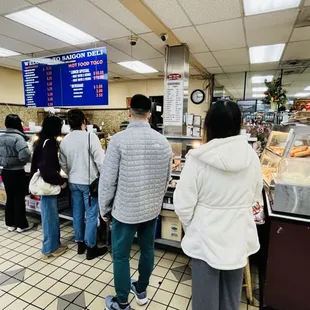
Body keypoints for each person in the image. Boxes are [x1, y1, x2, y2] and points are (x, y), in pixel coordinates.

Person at [174, 100, 263, 310]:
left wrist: (194, 225)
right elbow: (255, 195)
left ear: (209, 125)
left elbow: (183, 205)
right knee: (231, 300)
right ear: (237, 124)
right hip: (238, 237)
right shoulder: (251, 156)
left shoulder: (198, 159)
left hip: (205, 240)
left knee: (205, 302)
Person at [99, 94, 172, 310]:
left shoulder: (118, 141)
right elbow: (167, 178)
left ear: (129, 112)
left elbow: (107, 180)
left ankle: (121, 303)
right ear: (149, 113)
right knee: (147, 249)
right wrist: (155, 202)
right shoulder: (162, 141)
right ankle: (141, 290)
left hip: (125, 210)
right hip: (150, 210)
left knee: (121, 255)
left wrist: (104, 208)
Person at [59, 109, 107, 260]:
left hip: (73, 182)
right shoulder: (90, 137)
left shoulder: (65, 140)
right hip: (89, 183)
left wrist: (71, 172)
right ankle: (91, 247)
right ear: (83, 121)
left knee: (77, 213)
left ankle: (80, 244)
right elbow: (100, 161)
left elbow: (63, 163)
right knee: (91, 215)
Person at [31, 115, 67, 259]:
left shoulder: (41, 140)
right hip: (48, 185)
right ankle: (49, 248)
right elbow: (47, 170)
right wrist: (61, 181)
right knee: (50, 218)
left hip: (45, 184)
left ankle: (54, 244)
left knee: (50, 216)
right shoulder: (49, 143)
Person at [0, 114, 33, 232]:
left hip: (5, 172)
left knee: (10, 197)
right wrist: (21, 161)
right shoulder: (18, 138)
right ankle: (21, 225)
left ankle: (10, 224)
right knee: (19, 198)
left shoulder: (1, 137)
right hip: (17, 172)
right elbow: (26, 155)